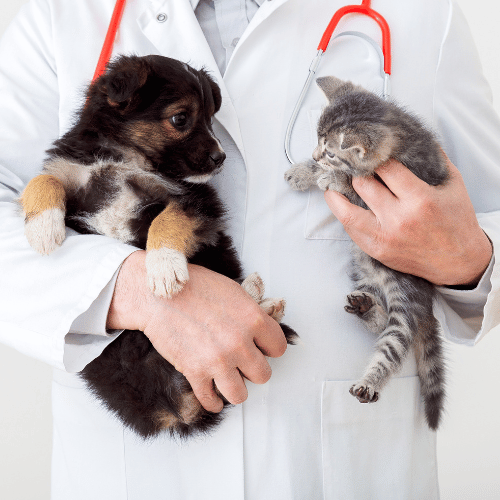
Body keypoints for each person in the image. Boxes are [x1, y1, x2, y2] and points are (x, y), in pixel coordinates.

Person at [0, 0, 499, 498]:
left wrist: (468, 260)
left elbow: (490, 211)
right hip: (137, 458)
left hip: (341, 464)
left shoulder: (425, 16)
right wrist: (126, 287)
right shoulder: (57, 16)